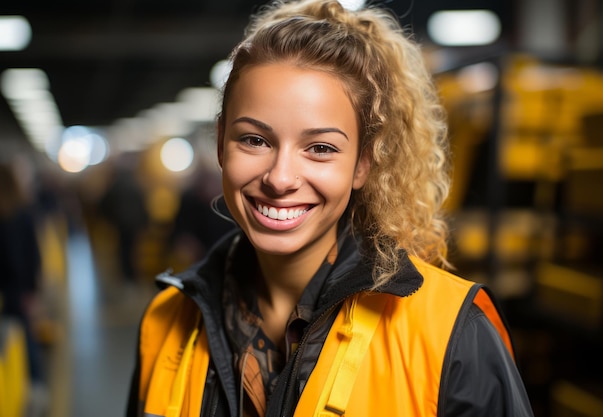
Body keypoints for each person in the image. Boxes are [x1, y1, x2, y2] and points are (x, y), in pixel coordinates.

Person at [126, 1, 534, 416]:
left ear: (363, 165)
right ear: (220, 145)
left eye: (320, 148)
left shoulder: (452, 334)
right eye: (254, 140)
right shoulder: (166, 320)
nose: (280, 178)